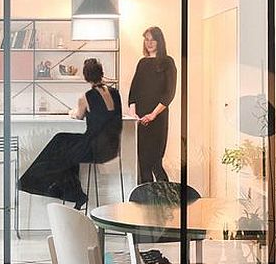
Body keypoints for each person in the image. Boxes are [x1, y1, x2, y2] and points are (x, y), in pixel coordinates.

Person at [18, 58, 122, 209]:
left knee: (59, 146)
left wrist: (71, 112)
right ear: (102, 73)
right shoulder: (115, 93)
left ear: (86, 77)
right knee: (63, 146)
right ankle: (75, 194)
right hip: (111, 148)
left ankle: (72, 193)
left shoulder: (86, 97)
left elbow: (78, 115)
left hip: (94, 148)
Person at [128, 26, 177, 184]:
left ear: (159, 41)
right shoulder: (142, 63)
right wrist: (133, 113)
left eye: (152, 40)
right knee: (143, 163)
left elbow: (169, 93)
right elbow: (133, 90)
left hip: (158, 118)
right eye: (146, 40)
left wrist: (153, 115)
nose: (149, 43)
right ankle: (145, 202)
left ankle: (166, 199)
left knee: (156, 161)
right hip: (141, 119)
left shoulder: (168, 62)